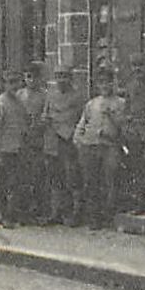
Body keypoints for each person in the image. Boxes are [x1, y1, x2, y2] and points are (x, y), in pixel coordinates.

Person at [73, 68, 127, 229]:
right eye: (102, 82)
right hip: (91, 145)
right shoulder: (91, 104)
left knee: (110, 179)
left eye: (108, 82)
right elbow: (83, 123)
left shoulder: (120, 103)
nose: (105, 86)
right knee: (91, 182)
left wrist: (112, 116)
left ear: (113, 83)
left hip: (110, 146)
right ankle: (93, 217)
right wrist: (79, 140)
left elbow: (123, 126)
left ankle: (108, 215)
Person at [0, 69, 29, 229]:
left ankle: (12, 214)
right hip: (3, 150)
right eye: (10, 82)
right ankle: (5, 216)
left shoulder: (19, 103)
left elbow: (23, 125)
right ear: (4, 84)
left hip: (17, 149)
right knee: (4, 184)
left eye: (17, 82)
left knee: (15, 184)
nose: (14, 86)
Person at [44, 66, 85, 226]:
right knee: (55, 178)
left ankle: (75, 212)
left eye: (64, 77)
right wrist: (47, 120)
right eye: (58, 76)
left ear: (70, 78)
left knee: (72, 178)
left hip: (69, 142)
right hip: (53, 142)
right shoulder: (51, 96)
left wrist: (63, 126)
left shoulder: (77, 97)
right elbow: (47, 114)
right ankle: (56, 212)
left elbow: (78, 118)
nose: (61, 80)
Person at [119, 55, 145, 214]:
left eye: (141, 65)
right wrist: (127, 127)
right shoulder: (130, 86)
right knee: (136, 167)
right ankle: (138, 202)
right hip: (134, 131)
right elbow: (127, 108)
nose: (138, 69)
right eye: (135, 65)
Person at [16, 63, 51, 223]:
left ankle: (39, 210)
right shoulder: (19, 95)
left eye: (34, 77)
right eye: (28, 77)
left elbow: (46, 115)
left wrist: (39, 125)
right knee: (23, 175)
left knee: (39, 175)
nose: (31, 80)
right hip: (23, 140)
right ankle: (24, 210)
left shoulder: (44, 95)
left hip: (38, 139)